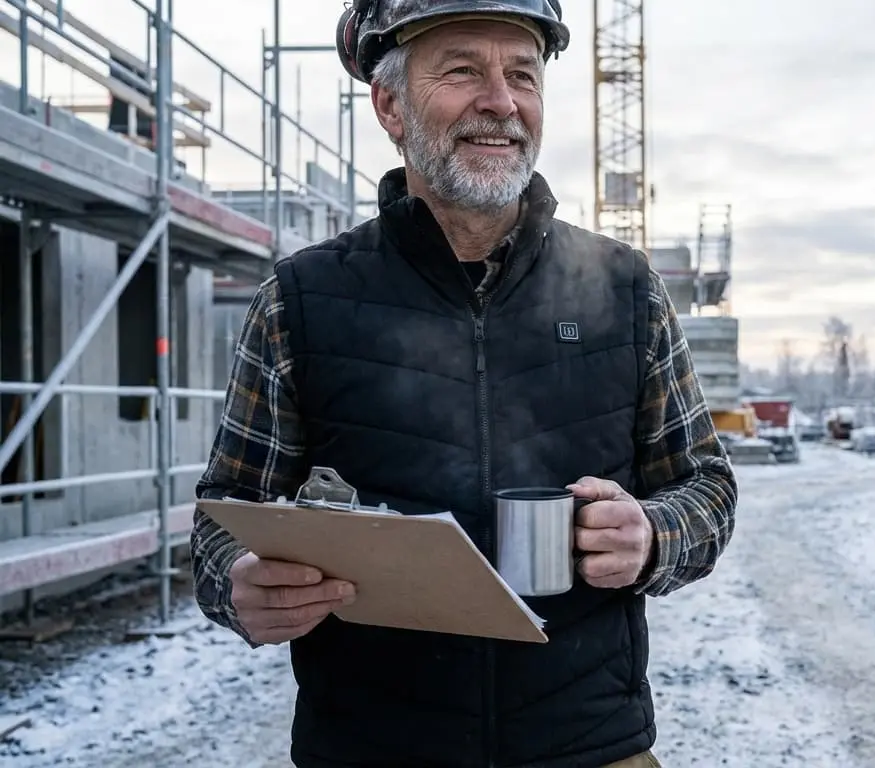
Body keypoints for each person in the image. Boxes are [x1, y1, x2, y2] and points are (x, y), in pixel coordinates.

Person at [189, 1, 738, 765]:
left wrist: (653, 536)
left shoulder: (624, 289)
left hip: (590, 747)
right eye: (461, 71)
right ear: (389, 104)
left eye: (522, 74)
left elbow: (707, 487)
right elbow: (225, 515)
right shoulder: (301, 300)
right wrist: (238, 584)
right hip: (372, 749)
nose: (501, 102)